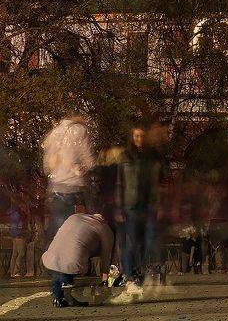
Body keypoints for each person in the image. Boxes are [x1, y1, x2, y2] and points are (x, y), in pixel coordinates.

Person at [40, 197, 115, 308]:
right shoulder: (105, 229)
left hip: (49, 258)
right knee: (69, 263)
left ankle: (58, 297)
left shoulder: (74, 217)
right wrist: (105, 279)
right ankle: (67, 294)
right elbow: (106, 257)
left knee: (59, 265)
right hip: (72, 262)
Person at [116, 123, 163, 291]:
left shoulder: (152, 156)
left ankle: (142, 273)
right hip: (130, 205)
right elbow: (120, 183)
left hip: (149, 204)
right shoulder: (125, 156)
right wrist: (119, 207)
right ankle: (129, 274)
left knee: (147, 241)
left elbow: (158, 181)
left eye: (142, 136)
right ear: (132, 137)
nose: (139, 139)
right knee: (133, 242)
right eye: (136, 136)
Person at [42, 116, 95, 238]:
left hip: (56, 187)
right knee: (77, 229)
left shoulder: (54, 133)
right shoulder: (80, 130)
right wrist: (80, 168)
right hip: (74, 187)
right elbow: (89, 160)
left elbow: (47, 165)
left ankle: (53, 248)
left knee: (58, 228)